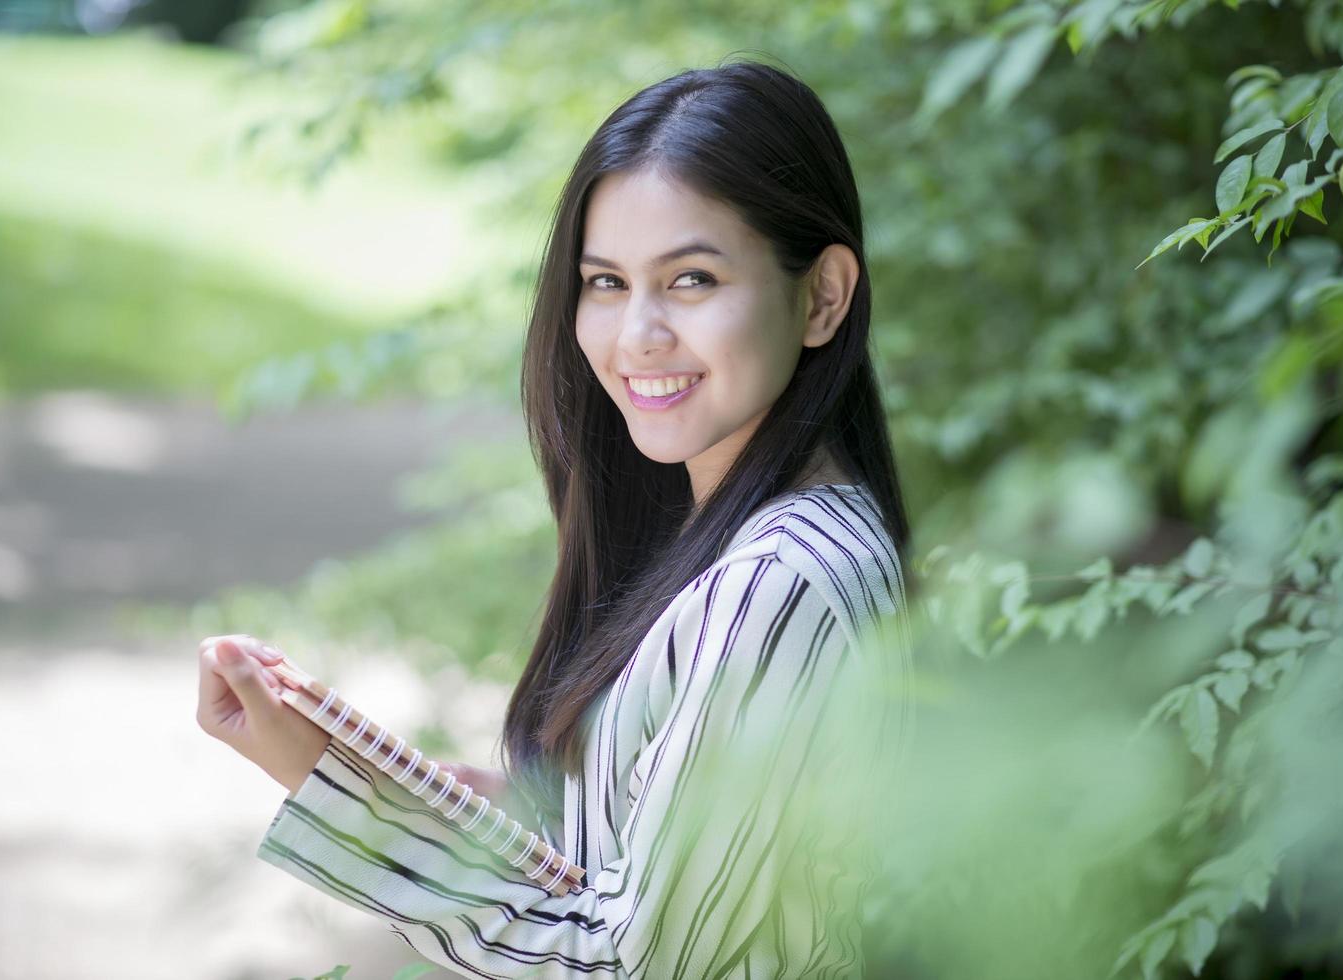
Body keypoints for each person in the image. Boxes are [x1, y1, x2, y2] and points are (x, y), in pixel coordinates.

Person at [196, 57, 916, 978]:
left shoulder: (780, 581)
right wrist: (460, 806)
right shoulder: (751, 542)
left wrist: (331, 790)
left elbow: (618, 965)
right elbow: (680, 882)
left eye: (692, 279)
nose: (636, 334)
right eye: (605, 283)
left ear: (822, 296)